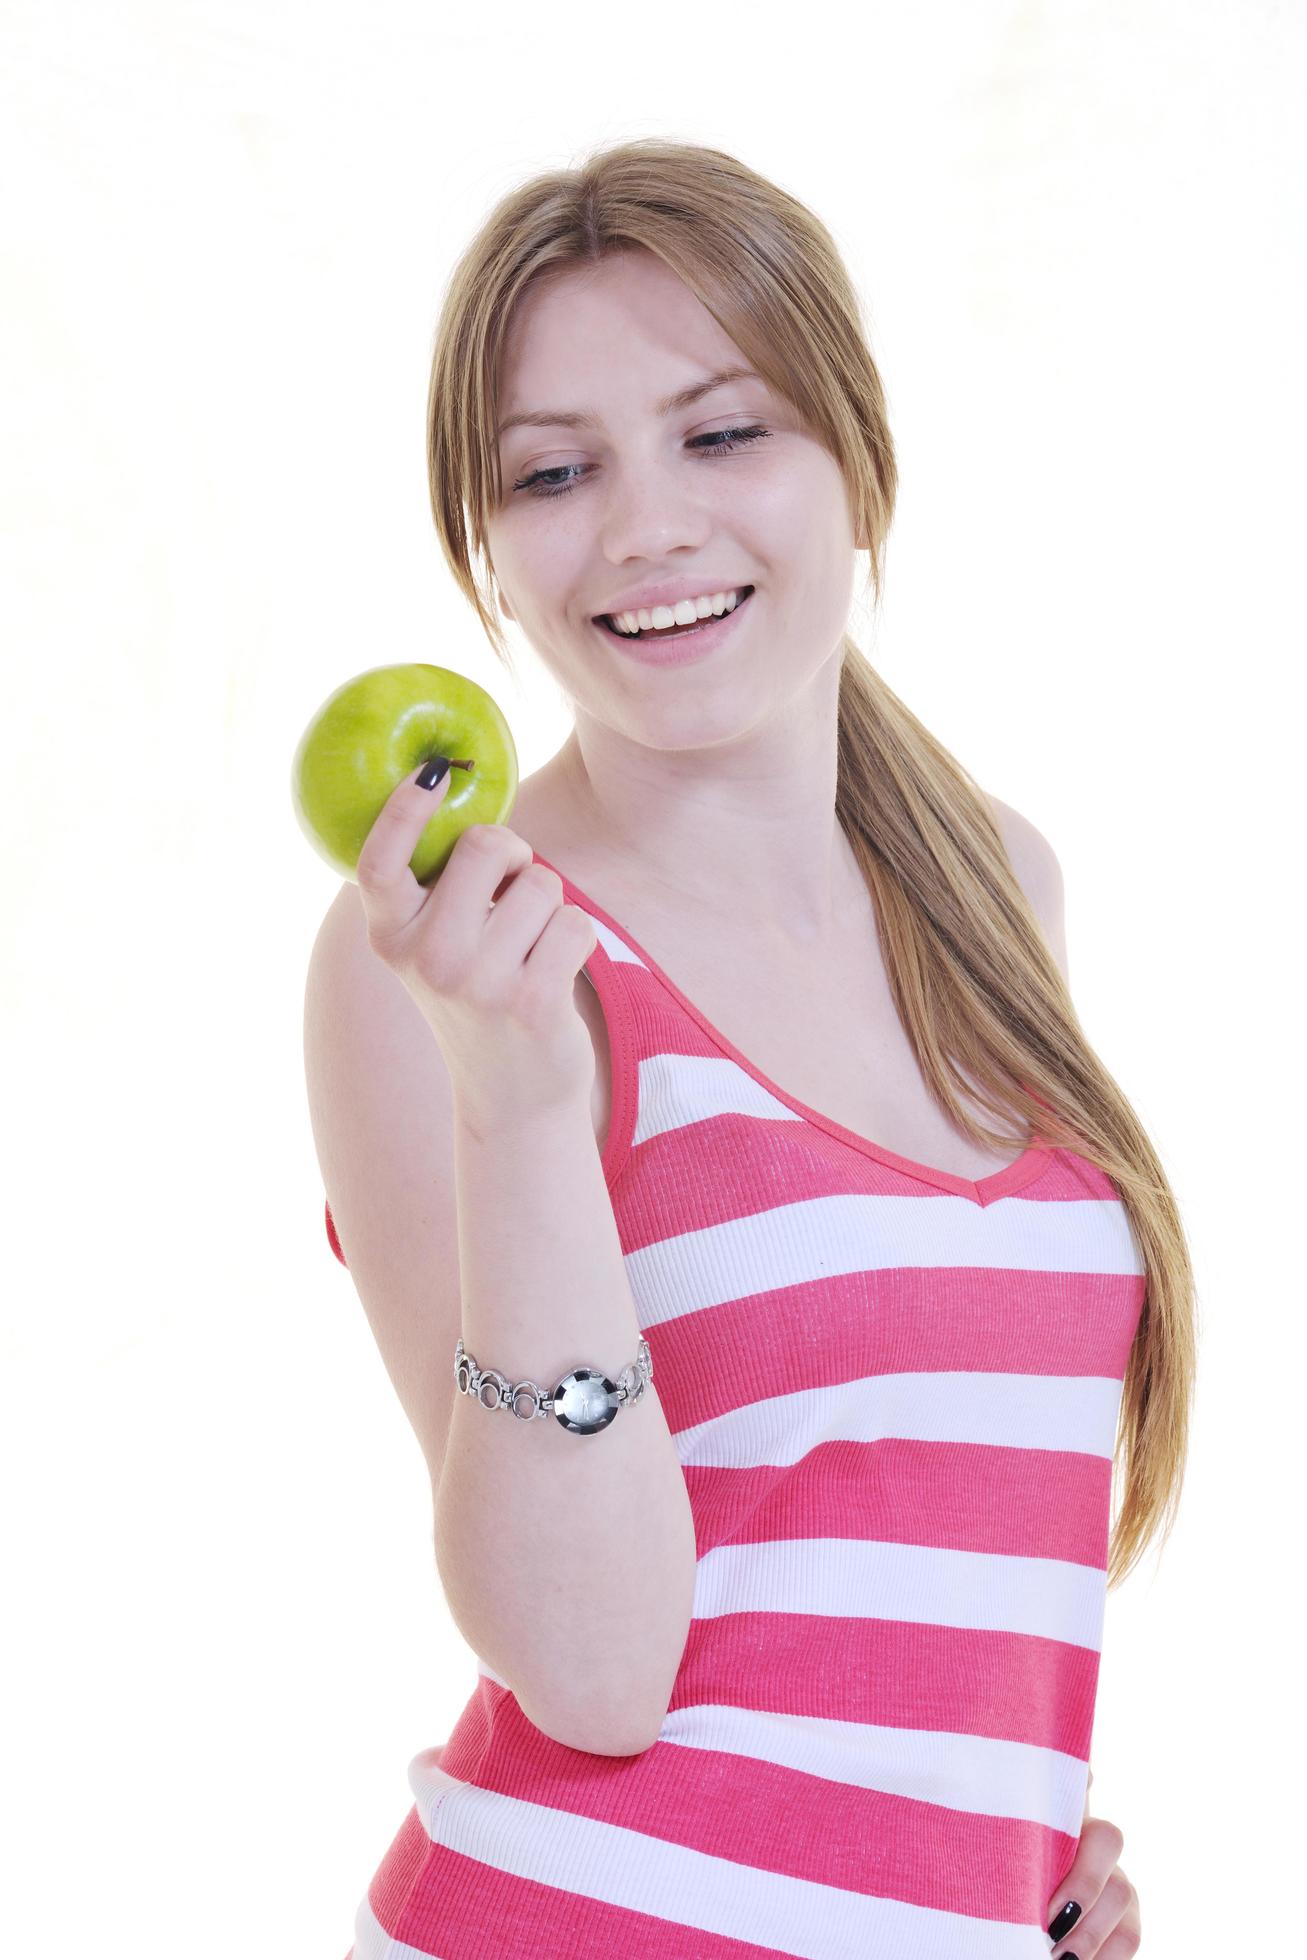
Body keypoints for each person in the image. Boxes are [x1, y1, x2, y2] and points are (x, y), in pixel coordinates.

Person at [305, 137, 1183, 1958]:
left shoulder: (995, 883)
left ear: (856, 461)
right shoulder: (443, 953)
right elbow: (592, 1671)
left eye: (723, 433)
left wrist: (995, 1842)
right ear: (493, 546)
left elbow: (928, 1524)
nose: (642, 528)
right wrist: (529, 1100)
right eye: (554, 472)